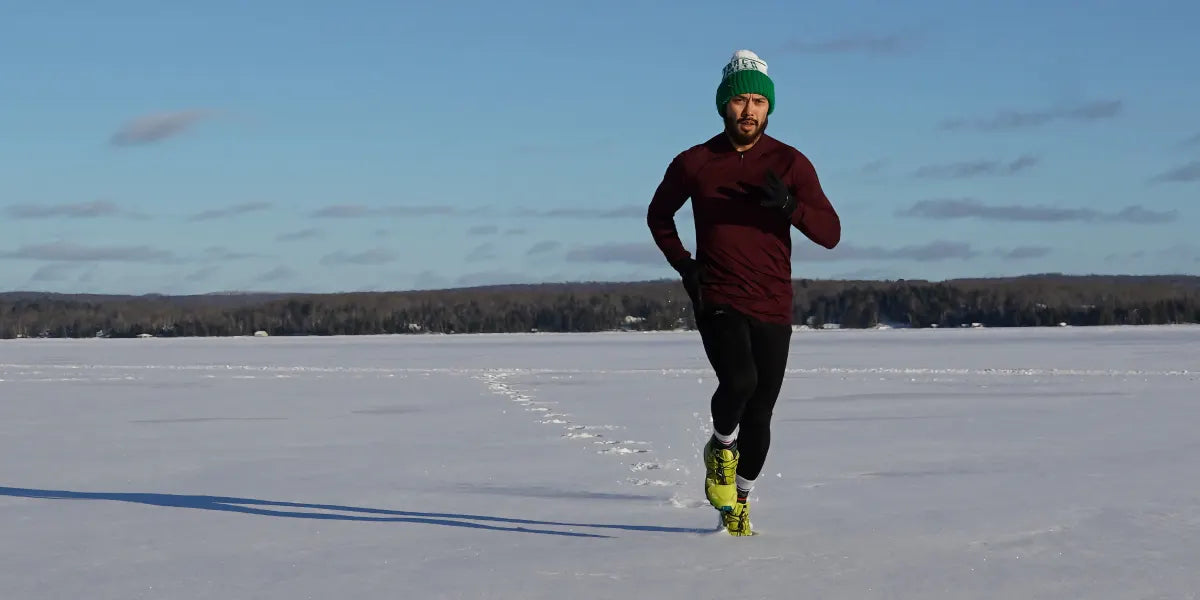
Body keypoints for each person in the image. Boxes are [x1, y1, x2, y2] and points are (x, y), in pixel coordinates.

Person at [646, 49, 842, 536]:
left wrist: (791, 205)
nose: (749, 110)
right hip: (717, 295)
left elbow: (831, 232)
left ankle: (741, 500)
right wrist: (686, 268)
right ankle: (719, 449)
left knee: (762, 411)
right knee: (740, 382)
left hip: (773, 302)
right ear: (723, 106)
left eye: (758, 101)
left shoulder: (789, 162)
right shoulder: (695, 163)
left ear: (769, 107)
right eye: (739, 101)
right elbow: (659, 215)